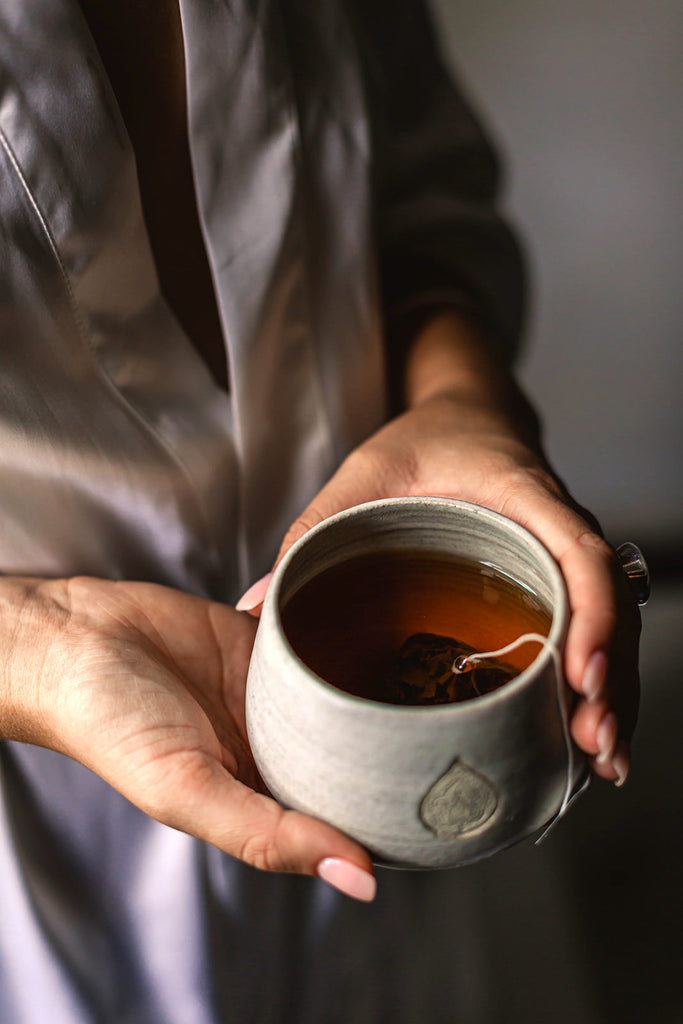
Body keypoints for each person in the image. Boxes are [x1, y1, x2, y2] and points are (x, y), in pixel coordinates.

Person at [0, 0, 640, 1020]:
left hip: (431, 772)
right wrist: (29, 653)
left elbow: (420, 196)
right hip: (50, 828)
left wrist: (462, 401)